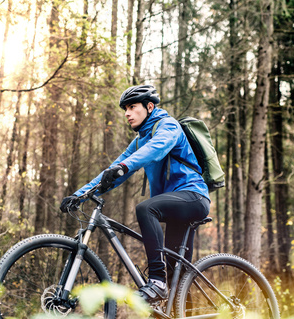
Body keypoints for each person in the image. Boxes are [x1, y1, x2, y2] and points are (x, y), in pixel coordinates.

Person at [60, 84, 210, 304]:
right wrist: (79, 195)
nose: (127, 114)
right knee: (175, 285)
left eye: (132, 107)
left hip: (193, 196)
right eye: (125, 110)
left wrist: (125, 166)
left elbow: (155, 149)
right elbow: (111, 172)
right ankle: (181, 318)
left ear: (149, 107)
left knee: (145, 208)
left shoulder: (168, 126)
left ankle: (156, 282)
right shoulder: (139, 140)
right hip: (173, 206)